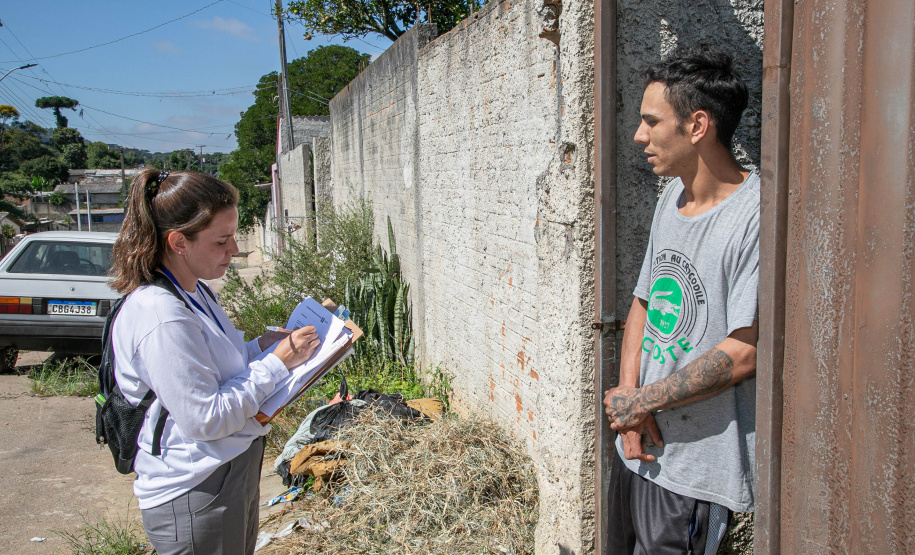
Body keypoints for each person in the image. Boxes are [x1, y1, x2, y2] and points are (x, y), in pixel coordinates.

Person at [108, 169, 320, 554]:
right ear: (178, 242)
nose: (234, 249)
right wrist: (276, 363)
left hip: (224, 475)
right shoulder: (162, 316)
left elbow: (222, 368)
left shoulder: (194, 293)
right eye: (222, 240)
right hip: (195, 492)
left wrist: (263, 347)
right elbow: (205, 417)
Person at [602, 46, 759, 554]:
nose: (639, 136)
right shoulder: (673, 197)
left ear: (696, 126)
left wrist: (640, 402)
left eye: (651, 121)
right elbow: (645, 303)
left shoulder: (755, 217)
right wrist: (629, 404)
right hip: (638, 449)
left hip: (694, 472)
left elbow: (744, 352)